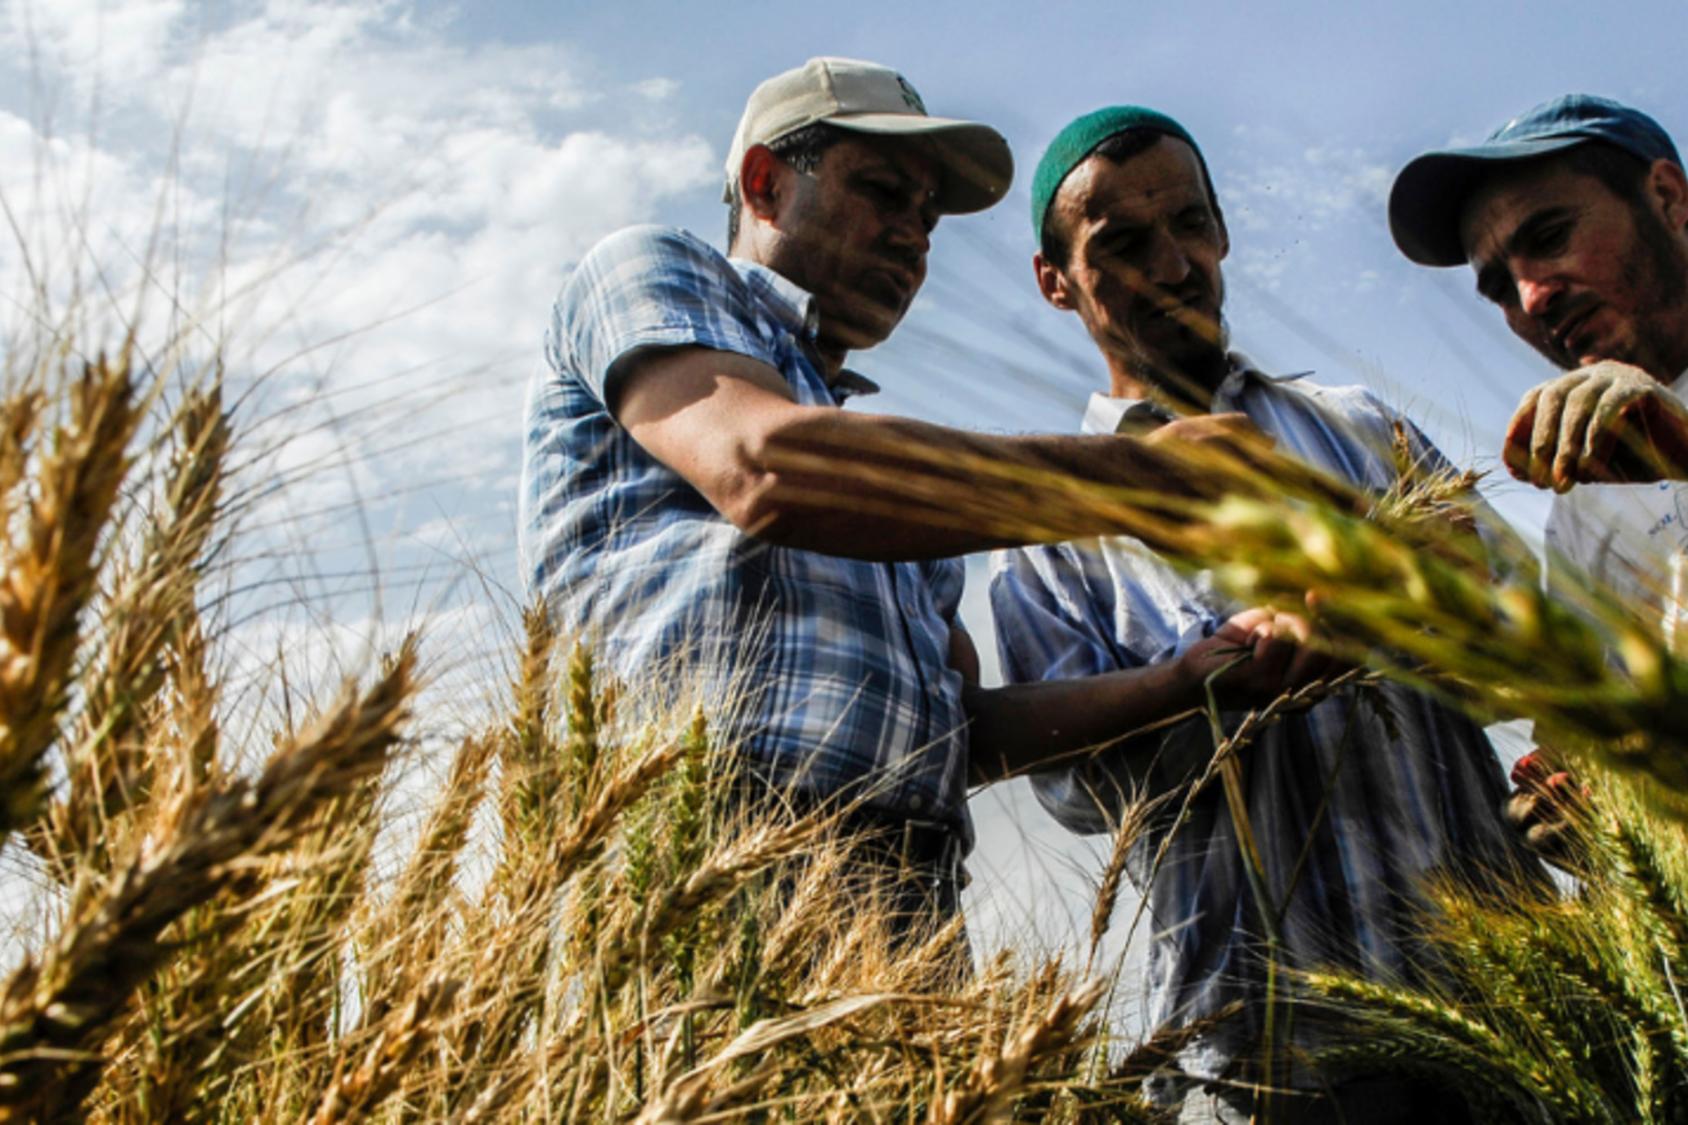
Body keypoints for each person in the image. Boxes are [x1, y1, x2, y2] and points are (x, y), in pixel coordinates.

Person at [518, 59, 1260, 934]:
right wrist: (1139, 478)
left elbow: (967, 731)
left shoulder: (898, 478)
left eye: (928, 216)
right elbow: (762, 467)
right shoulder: (651, 272)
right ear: (765, 183)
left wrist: (1185, 679)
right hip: (695, 862)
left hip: (909, 900)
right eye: (881, 192)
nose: (914, 236)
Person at [991, 105, 1532, 1123]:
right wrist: (1217, 677)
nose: (1172, 264)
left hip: (1499, 1009)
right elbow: (1076, 790)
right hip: (1267, 1055)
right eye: (1122, 245)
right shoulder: (1051, 533)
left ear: (1222, 232)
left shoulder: (1361, 427)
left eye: (1188, 224)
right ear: (1052, 282)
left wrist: (1431, 598)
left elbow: (1517, 639)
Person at [1388, 94, 1688, 853]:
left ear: (1667, 198)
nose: (1531, 297)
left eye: (1550, 236)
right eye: (1499, 287)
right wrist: (1582, 804)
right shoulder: (1585, 502)